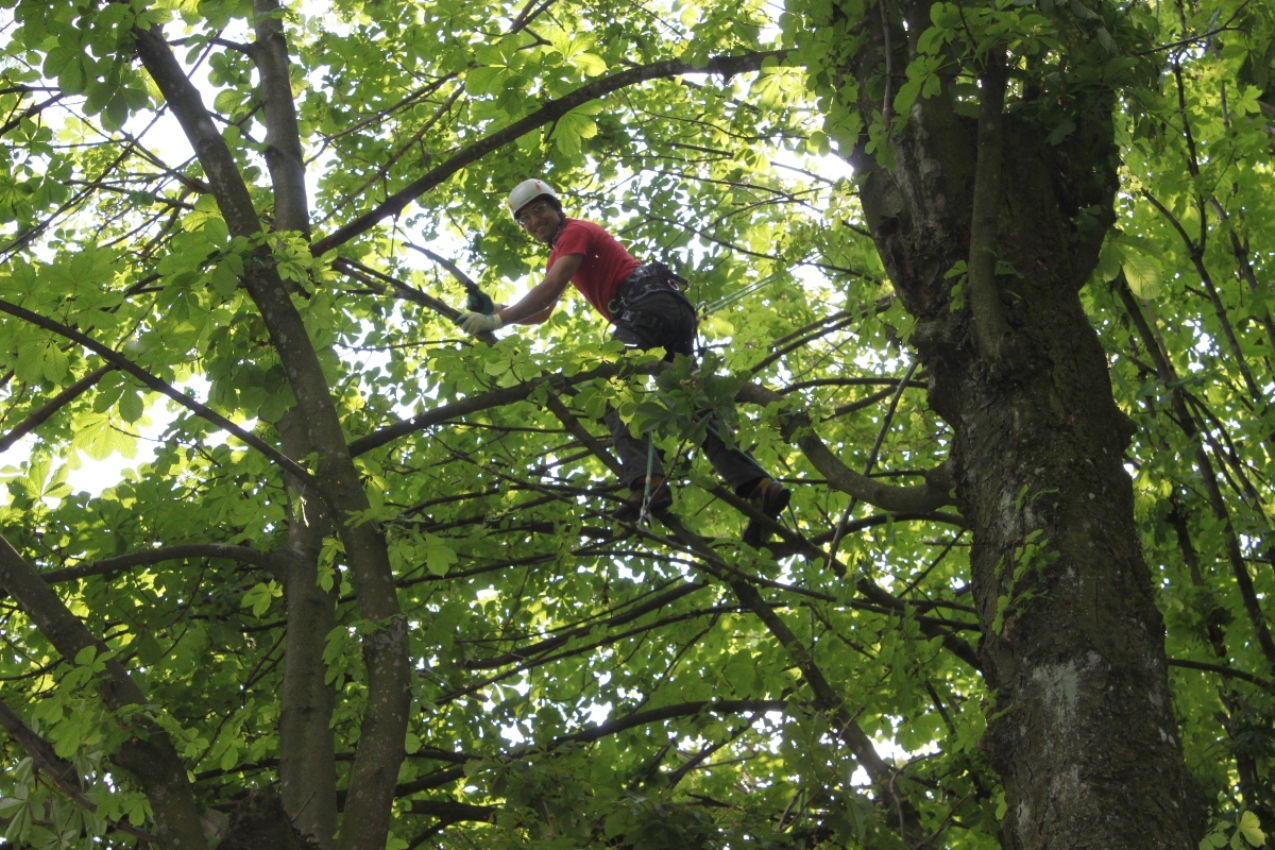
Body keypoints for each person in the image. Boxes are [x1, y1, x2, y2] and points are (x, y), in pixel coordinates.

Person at [455, 178, 789, 545]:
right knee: (692, 406)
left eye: (540, 210)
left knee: (612, 389)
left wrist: (498, 320)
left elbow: (548, 290)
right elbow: (541, 312)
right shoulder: (562, 250)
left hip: (646, 310)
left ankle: (649, 481)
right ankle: (759, 486)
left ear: (556, 208)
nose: (536, 220)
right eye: (526, 218)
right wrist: (495, 309)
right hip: (671, 312)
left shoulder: (576, 231)